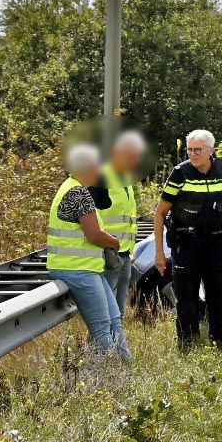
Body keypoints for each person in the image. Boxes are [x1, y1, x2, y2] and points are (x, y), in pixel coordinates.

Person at [154, 129, 222, 352]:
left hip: (218, 243)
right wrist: (159, 252)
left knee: (218, 297)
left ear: (211, 151)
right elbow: (160, 213)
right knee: (186, 298)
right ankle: (188, 346)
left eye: (197, 150)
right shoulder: (180, 173)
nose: (192, 154)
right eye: (189, 150)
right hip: (187, 244)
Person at [46, 143, 132, 361]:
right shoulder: (78, 194)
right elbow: (95, 235)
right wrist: (114, 241)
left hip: (86, 269)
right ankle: (110, 376)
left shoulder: (73, 188)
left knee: (114, 320)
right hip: (77, 269)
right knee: (103, 327)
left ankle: (126, 367)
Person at [94, 130, 147, 317]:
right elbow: (88, 214)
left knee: (119, 310)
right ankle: (105, 345)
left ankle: (116, 343)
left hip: (124, 252)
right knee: (107, 311)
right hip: (107, 253)